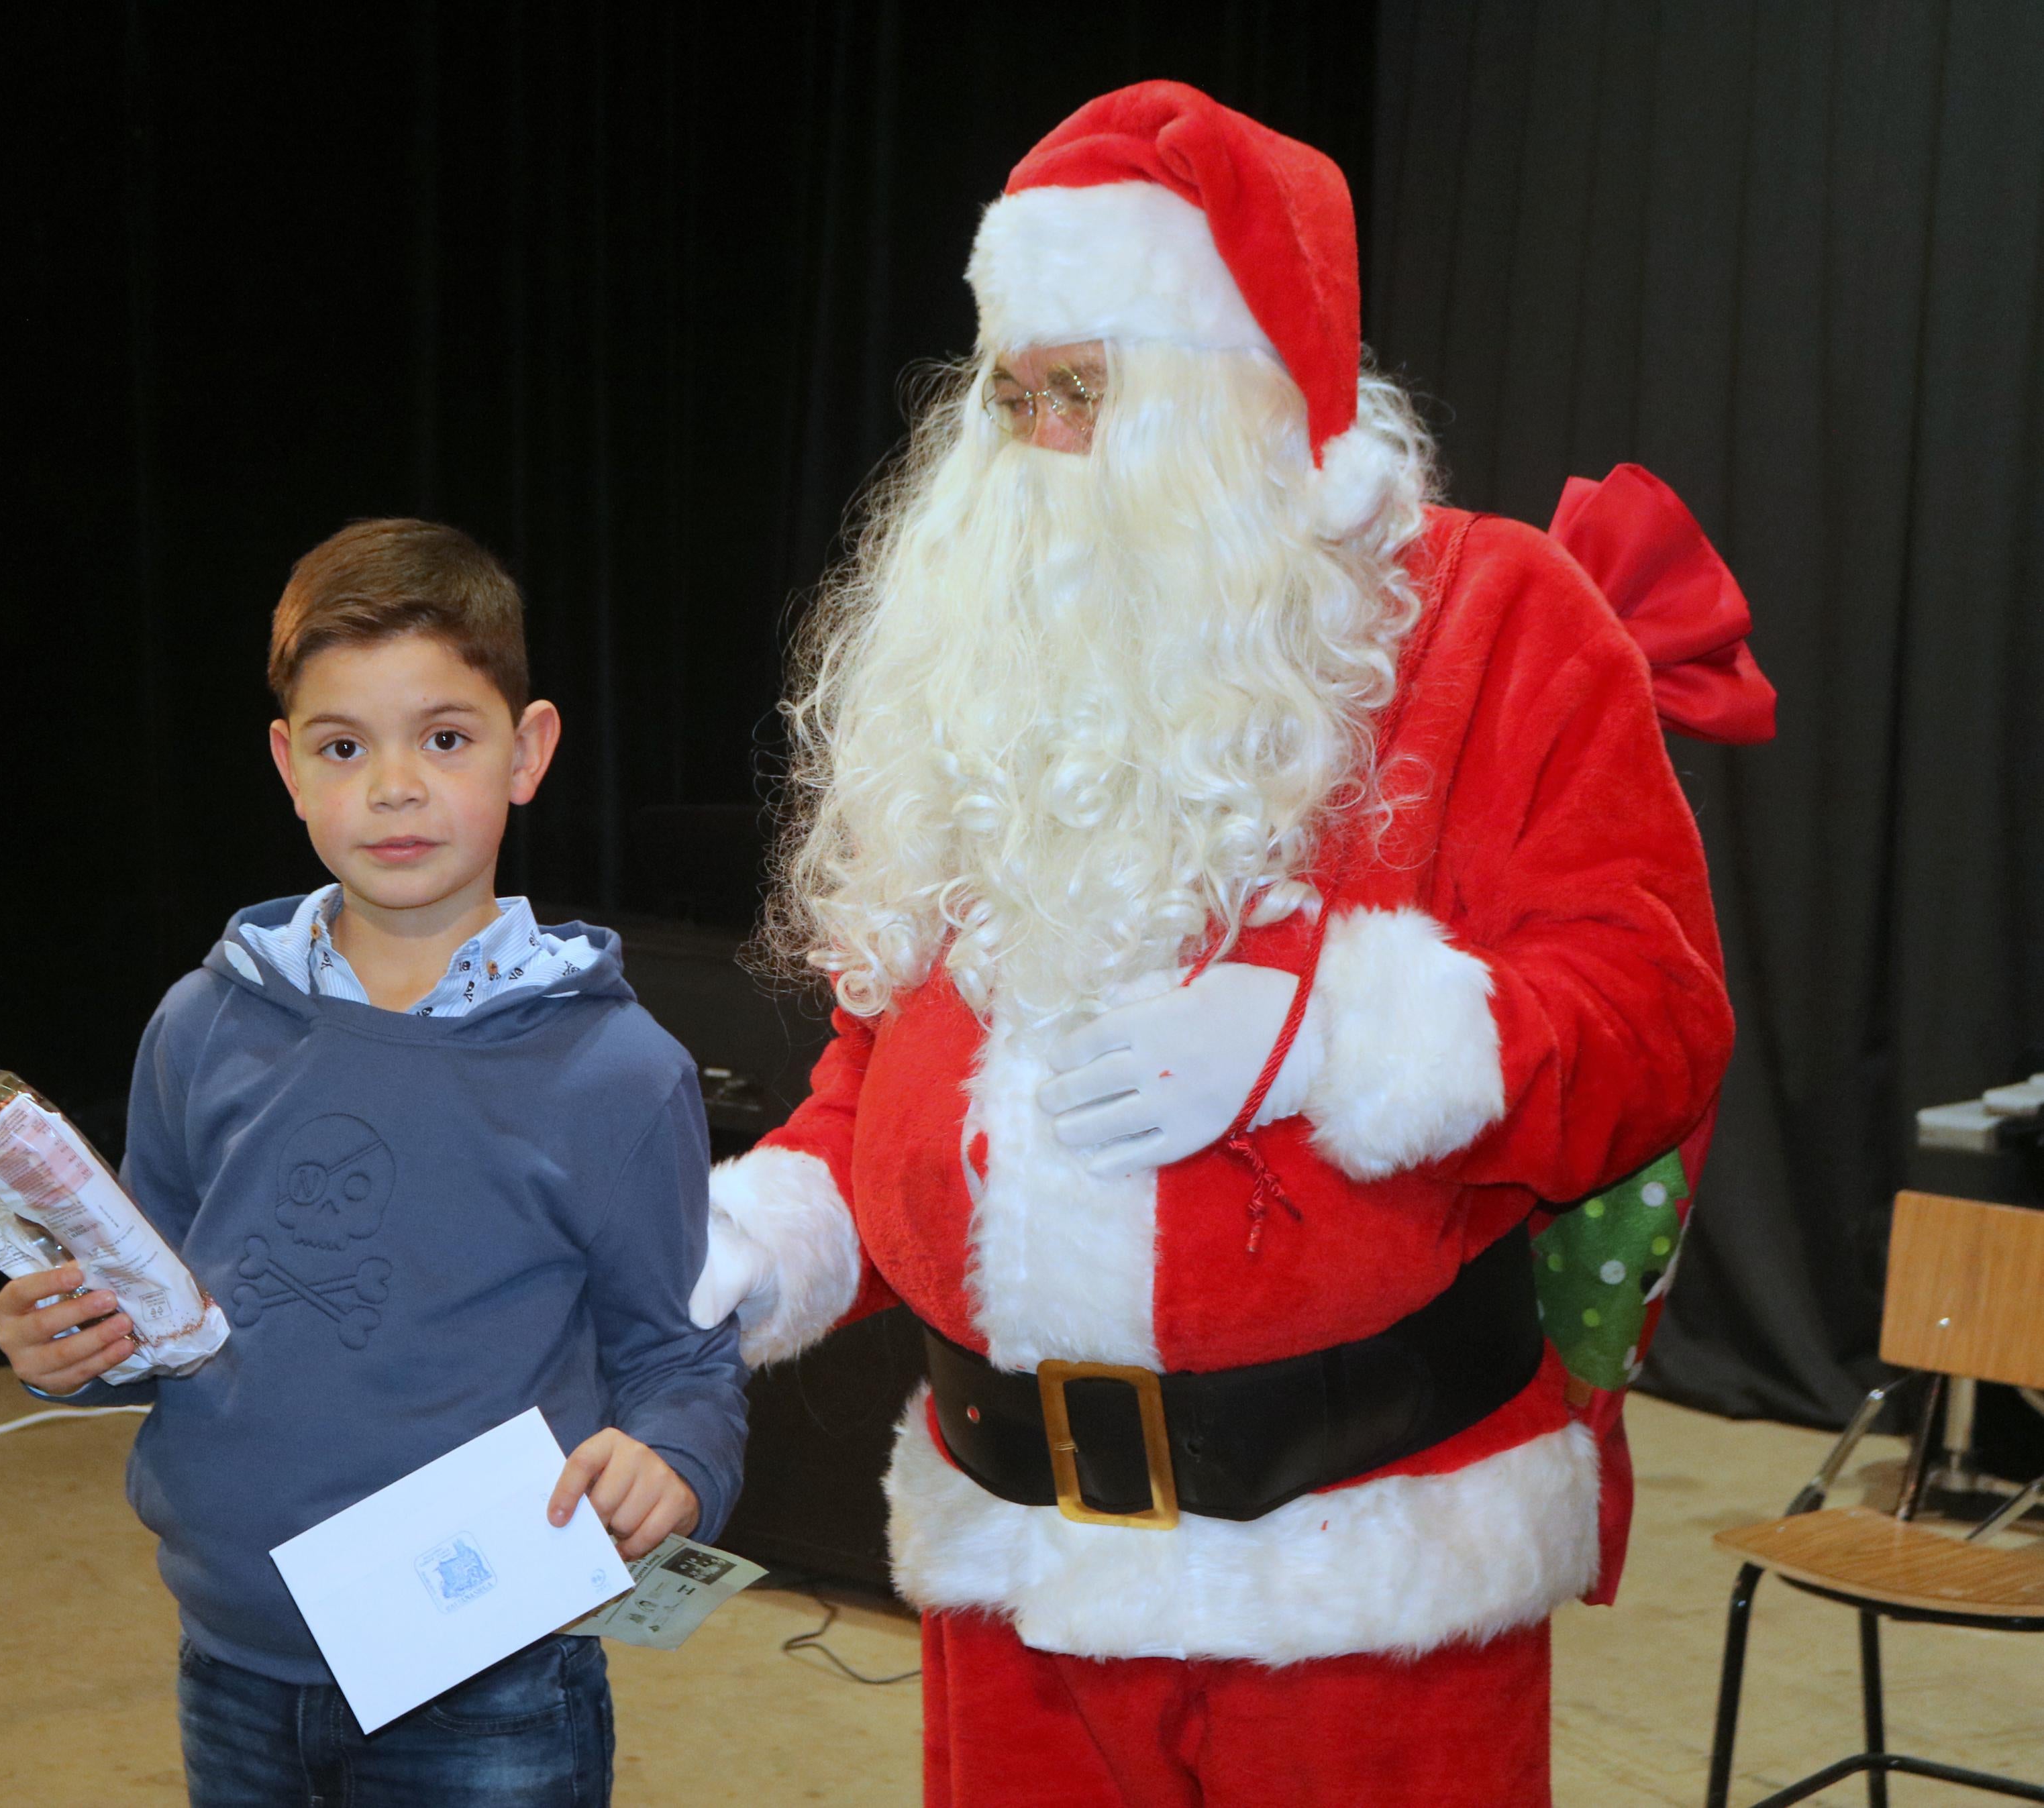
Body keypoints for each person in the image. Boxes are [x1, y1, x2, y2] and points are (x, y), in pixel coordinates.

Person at [686, 82, 1737, 1807]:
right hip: (1011, 1571)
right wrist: (783, 1223)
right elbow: (894, 1051)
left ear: (1227, 387)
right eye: (1011, 394)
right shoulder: (989, 659)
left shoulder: (1488, 617)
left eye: (1081, 391)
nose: (1034, 445)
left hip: (1363, 1589)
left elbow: (1648, 1026)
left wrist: (1326, 1036)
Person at [0, 517, 746, 1808]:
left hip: (492, 1676)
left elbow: (681, 1357)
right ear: (289, 768)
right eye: (345, 748)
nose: (393, 787)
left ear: (530, 752)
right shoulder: (202, 1021)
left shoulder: (621, 1074)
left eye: (445, 739)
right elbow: (150, 1304)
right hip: (230, 1654)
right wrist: (71, 1347)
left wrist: (675, 1459)